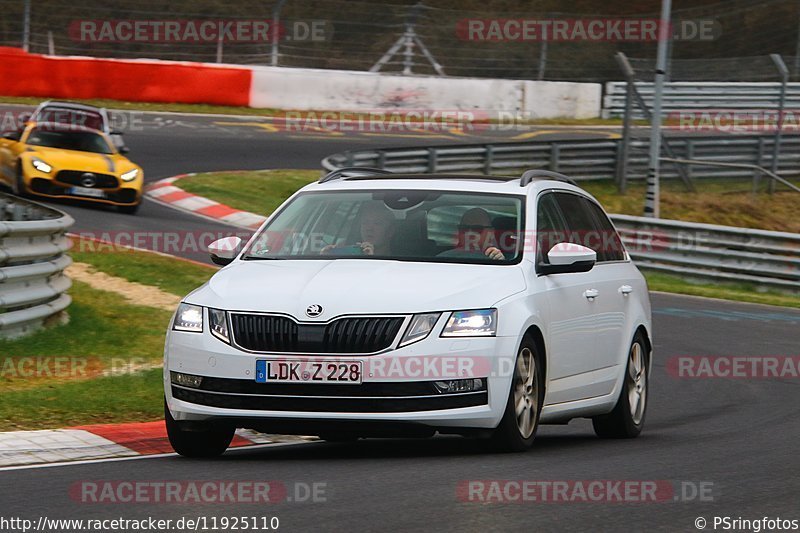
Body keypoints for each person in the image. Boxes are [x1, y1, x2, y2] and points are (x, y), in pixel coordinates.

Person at [321, 202, 396, 256]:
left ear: (390, 231)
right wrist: (325, 257)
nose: (369, 228)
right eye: (365, 223)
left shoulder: (400, 265)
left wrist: (371, 259)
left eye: (377, 223)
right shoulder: (347, 253)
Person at [439, 208, 505, 260]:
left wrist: (500, 262)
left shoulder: (509, 260)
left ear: (491, 232)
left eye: (477, 228)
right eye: (464, 228)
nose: (469, 233)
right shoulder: (443, 258)